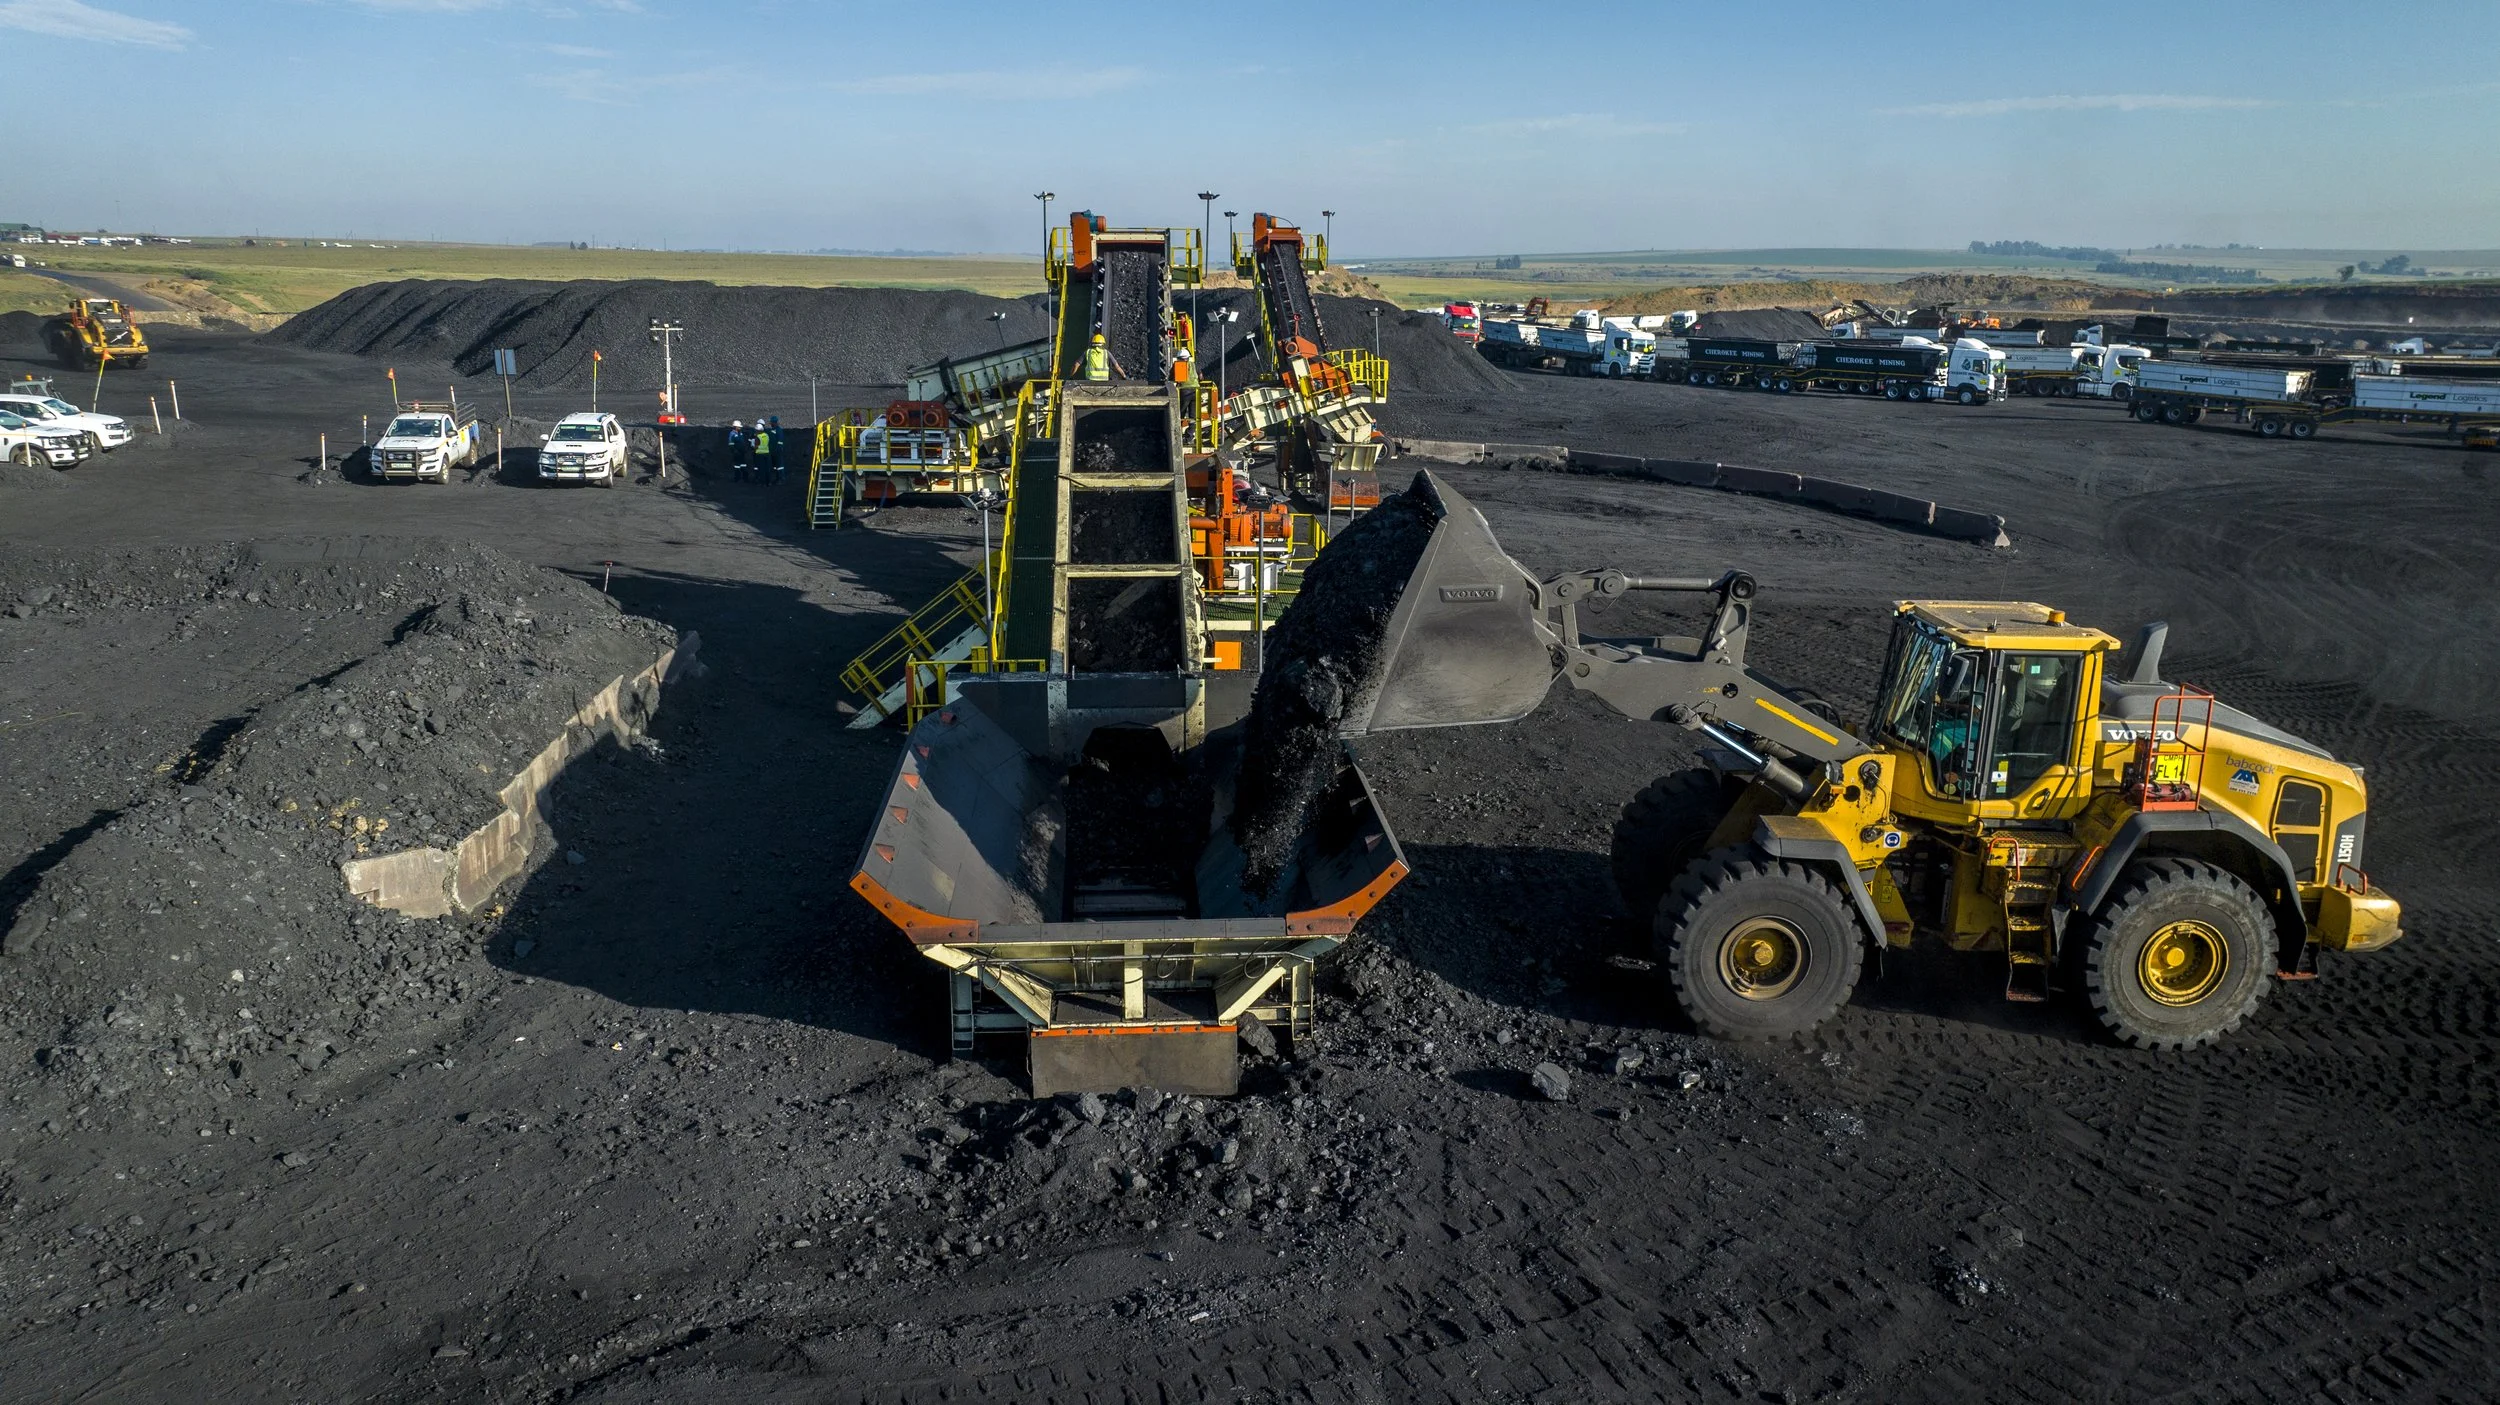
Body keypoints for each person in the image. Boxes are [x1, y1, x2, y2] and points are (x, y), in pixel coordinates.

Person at [766, 415, 786, 485]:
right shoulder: (771, 430)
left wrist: (778, 450)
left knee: (779, 466)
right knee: (775, 466)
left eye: (771, 422)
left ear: (774, 422)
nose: (771, 424)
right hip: (773, 451)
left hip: (778, 451)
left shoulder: (778, 430)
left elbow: (780, 441)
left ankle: (781, 478)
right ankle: (777, 478)